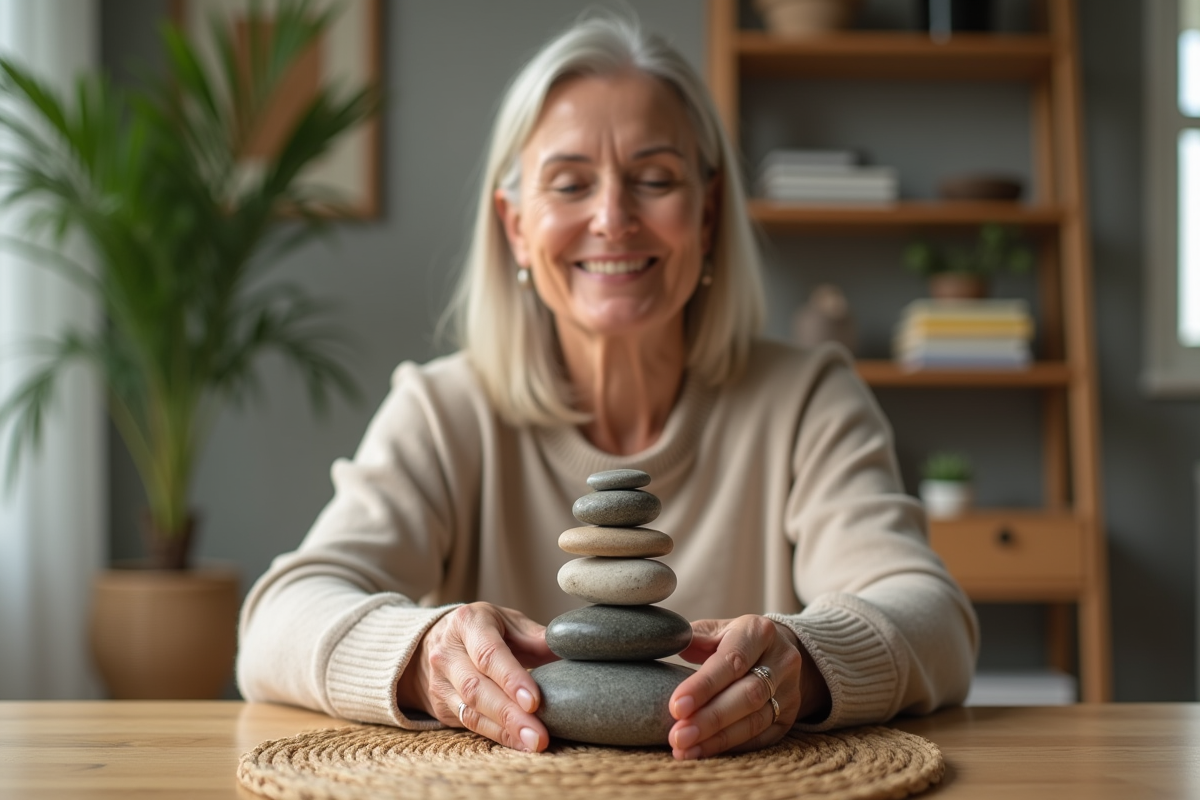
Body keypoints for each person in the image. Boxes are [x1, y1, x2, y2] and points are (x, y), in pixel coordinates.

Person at [236, 14, 978, 761]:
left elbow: (933, 616)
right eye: (569, 184)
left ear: (709, 212)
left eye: (655, 180)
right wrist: (427, 656)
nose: (613, 218)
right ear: (516, 226)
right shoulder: (442, 411)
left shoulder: (809, 399)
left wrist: (806, 659)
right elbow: (278, 621)